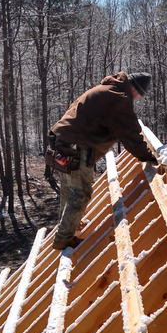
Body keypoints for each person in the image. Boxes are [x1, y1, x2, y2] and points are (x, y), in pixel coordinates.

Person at [49, 71, 157, 250]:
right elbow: (130, 133)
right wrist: (148, 157)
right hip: (78, 145)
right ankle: (63, 238)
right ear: (135, 90)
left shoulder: (106, 89)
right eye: (138, 95)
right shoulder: (118, 98)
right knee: (81, 192)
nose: (136, 99)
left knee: (69, 188)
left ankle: (68, 226)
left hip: (62, 139)